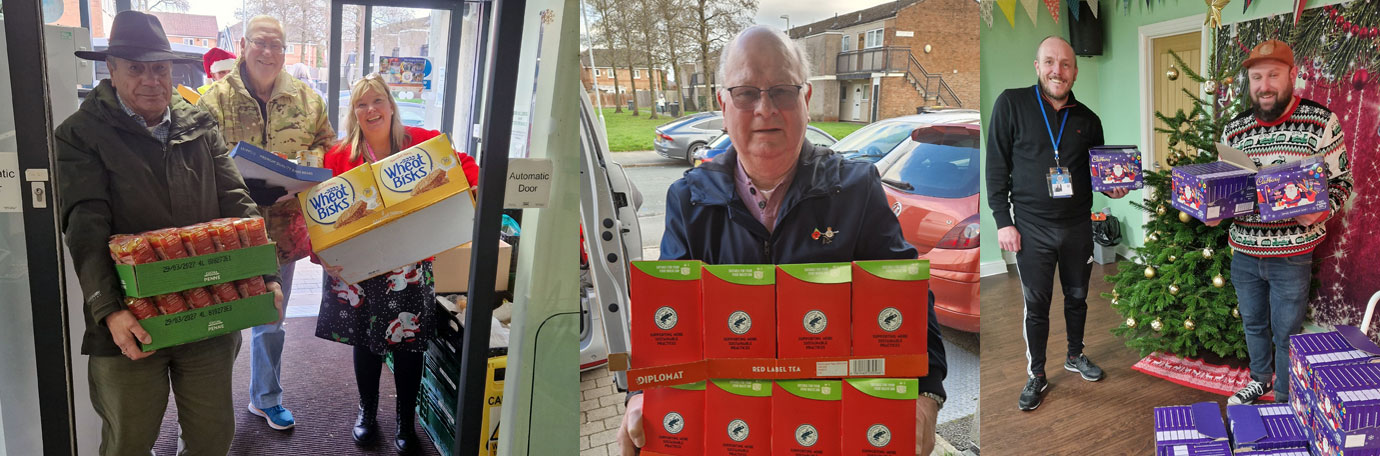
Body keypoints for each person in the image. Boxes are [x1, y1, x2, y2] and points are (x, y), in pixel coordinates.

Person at [617, 25, 948, 456]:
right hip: (734, 429)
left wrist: (927, 393)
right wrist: (642, 396)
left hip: (834, 428)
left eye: (782, 91)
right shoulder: (689, 200)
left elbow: (907, 297)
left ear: (806, 100)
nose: (765, 109)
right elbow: (669, 327)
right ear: (723, 104)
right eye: (746, 93)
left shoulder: (857, 190)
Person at [55, 11, 284, 454]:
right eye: (136, 68)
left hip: (208, 307)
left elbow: (236, 203)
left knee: (211, 435)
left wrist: (266, 275)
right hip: (131, 321)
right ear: (113, 70)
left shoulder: (199, 124)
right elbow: (85, 225)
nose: (150, 80)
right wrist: (108, 309)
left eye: (158, 68)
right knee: (129, 439)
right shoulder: (82, 134)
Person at [316, 74, 478, 452]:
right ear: (353, 113)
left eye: (377, 101)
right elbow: (320, 217)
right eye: (361, 104)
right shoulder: (339, 156)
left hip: (410, 263)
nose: (371, 110)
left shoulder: (421, 143)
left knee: (409, 345)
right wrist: (321, 252)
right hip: (361, 267)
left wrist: (462, 194)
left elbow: (466, 167)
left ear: (391, 104)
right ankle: (367, 412)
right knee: (367, 343)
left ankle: (407, 419)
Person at [197, 14, 336, 431]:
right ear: (243, 44)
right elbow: (194, 163)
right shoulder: (213, 99)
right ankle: (208, 409)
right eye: (261, 42)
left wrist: (304, 176)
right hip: (228, 235)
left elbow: (326, 149)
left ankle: (267, 397)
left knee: (271, 319)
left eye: (277, 44)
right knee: (219, 326)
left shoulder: (308, 101)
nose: (269, 52)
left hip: (282, 233)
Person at [985, 35, 1129, 412]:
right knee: (1037, 305)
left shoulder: (1088, 120)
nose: (1057, 70)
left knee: (1078, 297)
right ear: (1037, 66)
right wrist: (1004, 221)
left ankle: (1075, 355)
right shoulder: (1011, 104)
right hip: (1031, 228)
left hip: (1078, 226)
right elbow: (996, 169)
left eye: (1065, 64)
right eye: (1049, 62)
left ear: (1075, 71)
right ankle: (1037, 374)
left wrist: (1113, 190)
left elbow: (1098, 174)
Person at [1215, 39, 1352, 405]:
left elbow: (1342, 182)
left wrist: (1321, 211)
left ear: (1292, 75)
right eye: (1256, 77)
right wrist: (1214, 209)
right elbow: (1226, 187)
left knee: (1287, 331)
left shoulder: (1322, 121)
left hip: (1292, 253)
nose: (1264, 85)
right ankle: (1259, 379)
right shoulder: (1234, 129)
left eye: (1273, 75)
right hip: (1243, 250)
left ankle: (1285, 394)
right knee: (1253, 324)